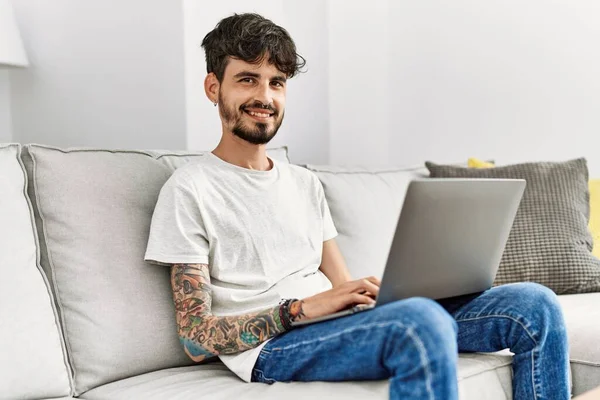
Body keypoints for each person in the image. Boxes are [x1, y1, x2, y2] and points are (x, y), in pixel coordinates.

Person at [144, 12, 570, 400]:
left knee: (535, 305)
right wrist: (303, 309)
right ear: (213, 87)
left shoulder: (303, 182)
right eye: (248, 79)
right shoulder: (190, 189)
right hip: (271, 348)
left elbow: (342, 283)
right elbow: (196, 339)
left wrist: (369, 297)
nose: (266, 96)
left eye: (276, 82)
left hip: (331, 326)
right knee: (420, 323)